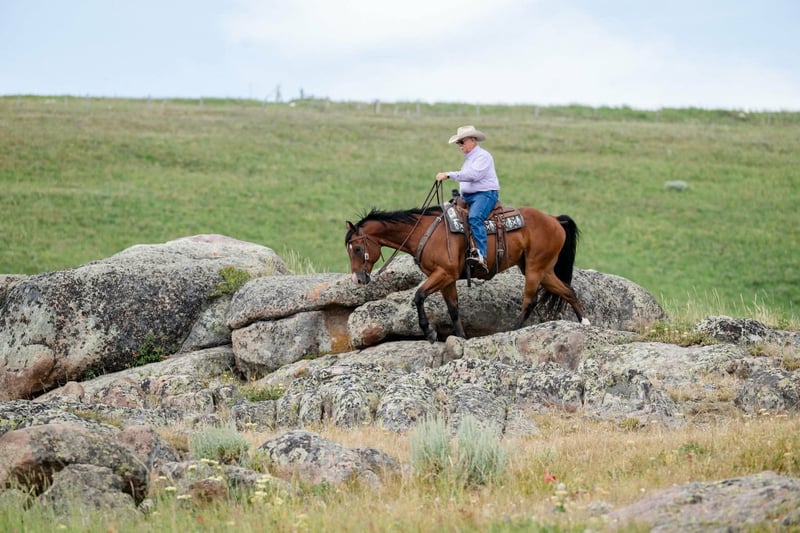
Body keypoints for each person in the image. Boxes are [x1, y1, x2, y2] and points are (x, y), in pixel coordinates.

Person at [436, 125, 500, 271]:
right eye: (458, 143)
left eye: (462, 142)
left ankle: (481, 256)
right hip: (469, 197)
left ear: (472, 140)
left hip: (484, 195)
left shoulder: (483, 156)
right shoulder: (470, 159)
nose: (460, 146)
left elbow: (473, 176)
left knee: (475, 218)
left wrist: (449, 174)